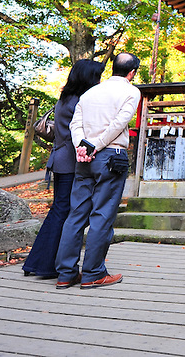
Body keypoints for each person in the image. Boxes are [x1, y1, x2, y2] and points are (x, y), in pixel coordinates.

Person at [54, 53, 141, 290]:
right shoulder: (131, 92)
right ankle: (93, 272)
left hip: (84, 158)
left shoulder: (90, 93)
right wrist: (97, 145)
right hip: (111, 156)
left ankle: (65, 273)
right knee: (102, 215)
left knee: (76, 215)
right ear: (132, 72)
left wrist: (82, 146)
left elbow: (75, 124)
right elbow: (119, 123)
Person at [22, 59, 104, 279]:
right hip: (69, 161)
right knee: (64, 212)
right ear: (88, 78)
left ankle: (38, 261)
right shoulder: (79, 101)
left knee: (60, 210)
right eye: (97, 77)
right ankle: (46, 264)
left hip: (59, 160)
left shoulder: (65, 98)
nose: (99, 81)